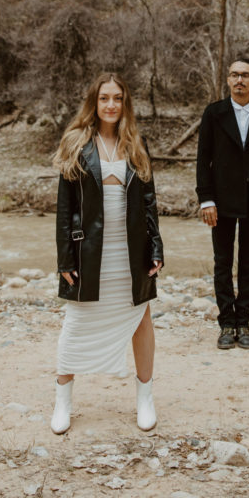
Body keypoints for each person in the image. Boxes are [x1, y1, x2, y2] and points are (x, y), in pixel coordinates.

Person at [51, 72, 164, 434]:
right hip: (91, 250)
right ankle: (62, 401)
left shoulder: (135, 143)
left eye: (117, 98)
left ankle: (145, 398)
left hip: (131, 249)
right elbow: (65, 208)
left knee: (140, 319)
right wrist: (65, 258)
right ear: (94, 103)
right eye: (104, 98)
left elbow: (149, 202)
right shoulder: (77, 142)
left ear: (125, 103)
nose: (111, 104)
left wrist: (156, 247)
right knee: (76, 322)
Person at [196, 57, 249, 350]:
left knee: (248, 264)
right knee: (222, 264)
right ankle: (226, 324)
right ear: (228, 80)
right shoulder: (214, 113)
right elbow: (202, 160)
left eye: (245, 75)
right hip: (220, 200)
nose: (239, 80)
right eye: (234, 75)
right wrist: (206, 199)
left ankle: (243, 322)